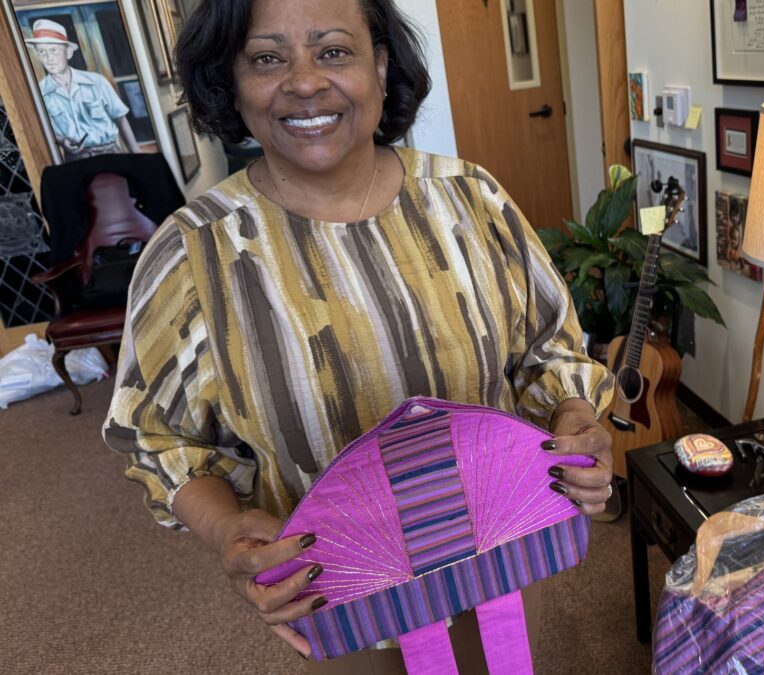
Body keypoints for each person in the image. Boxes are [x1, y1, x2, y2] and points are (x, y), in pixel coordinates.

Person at [101, 0, 615, 670]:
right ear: (231, 79)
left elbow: (550, 352)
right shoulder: (191, 255)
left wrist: (576, 417)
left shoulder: (472, 201)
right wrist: (226, 526)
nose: (305, 81)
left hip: (506, 571)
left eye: (333, 50)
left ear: (379, 62)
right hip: (345, 606)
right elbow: (157, 436)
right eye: (266, 58)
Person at [24, 19, 142, 161]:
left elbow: (120, 119)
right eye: (42, 52)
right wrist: (62, 141)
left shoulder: (96, 82)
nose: (49, 58)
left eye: (53, 50)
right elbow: (42, 129)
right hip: (75, 161)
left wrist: (135, 152)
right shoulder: (39, 93)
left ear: (68, 53)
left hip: (110, 154)